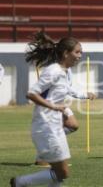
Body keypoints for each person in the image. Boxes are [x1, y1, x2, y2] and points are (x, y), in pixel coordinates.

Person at [10, 31, 95, 186]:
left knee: (59, 174)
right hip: (46, 126)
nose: (80, 55)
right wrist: (54, 106)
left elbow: (65, 91)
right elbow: (31, 93)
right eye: (77, 52)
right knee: (62, 172)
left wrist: (68, 105)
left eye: (81, 52)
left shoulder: (63, 72)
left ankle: (22, 181)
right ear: (65, 53)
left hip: (54, 126)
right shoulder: (53, 70)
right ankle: (21, 182)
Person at [34, 68, 96, 167]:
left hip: (60, 103)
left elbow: (67, 88)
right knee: (67, 127)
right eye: (76, 52)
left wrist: (85, 95)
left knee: (73, 126)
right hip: (49, 104)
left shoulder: (68, 68)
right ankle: (42, 158)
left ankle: (45, 152)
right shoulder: (55, 68)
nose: (79, 56)